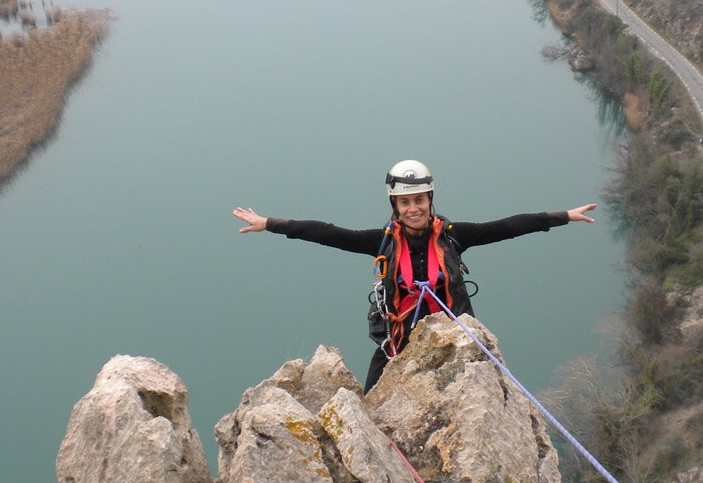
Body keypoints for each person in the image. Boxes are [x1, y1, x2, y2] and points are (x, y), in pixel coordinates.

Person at [233, 159, 596, 392]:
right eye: (405, 202)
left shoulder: (453, 236)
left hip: (454, 338)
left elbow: (508, 226)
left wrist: (563, 216)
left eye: (419, 200)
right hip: (399, 340)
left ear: (429, 200)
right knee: (372, 400)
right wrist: (270, 223)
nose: (413, 209)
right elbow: (326, 232)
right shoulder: (381, 242)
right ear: (395, 205)